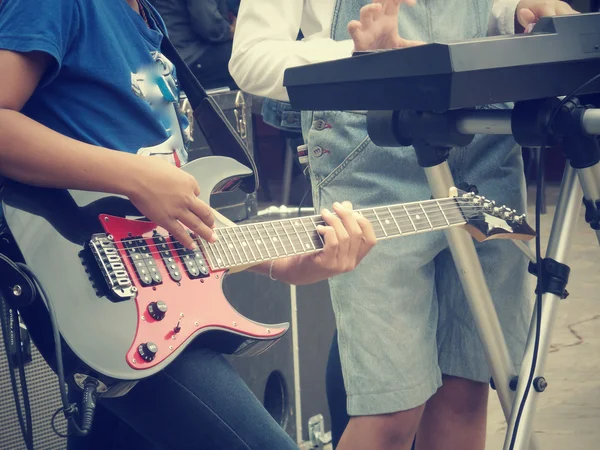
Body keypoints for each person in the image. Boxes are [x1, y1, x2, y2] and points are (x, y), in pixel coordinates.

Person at [0, 1, 377, 449]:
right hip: (110, 298)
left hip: (147, 302)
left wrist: (283, 262)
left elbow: (161, 207)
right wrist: (134, 177)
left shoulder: (145, 17)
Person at [229, 0, 578, 449]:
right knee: (390, 411)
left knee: (466, 390)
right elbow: (250, 58)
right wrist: (355, 61)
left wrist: (515, 13)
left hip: (484, 140)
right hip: (371, 154)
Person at [150, 0, 238, 90]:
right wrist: (232, 31)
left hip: (168, 57)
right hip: (188, 57)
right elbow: (208, 25)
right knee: (241, 59)